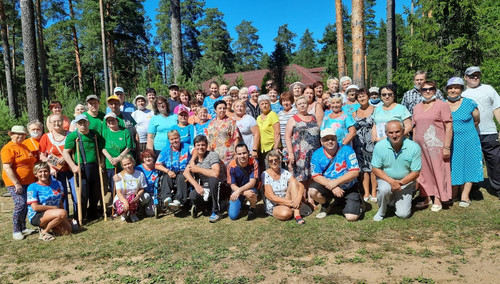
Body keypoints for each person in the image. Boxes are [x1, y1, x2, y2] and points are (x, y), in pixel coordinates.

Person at [412, 81, 453, 212]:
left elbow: (449, 126)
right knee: (423, 172)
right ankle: (426, 197)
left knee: (438, 171)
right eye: (425, 89)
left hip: (436, 146)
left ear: (435, 90)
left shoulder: (442, 105)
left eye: (431, 89)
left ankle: (438, 198)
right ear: (420, 92)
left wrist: (446, 147)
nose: (428, 91)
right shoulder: (416, 107)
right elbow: (414, 128)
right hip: (420, 147)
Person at [462, 66, 500, 198]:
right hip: (470, 133)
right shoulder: (461, 93)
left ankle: (498, 187)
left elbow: (497, 109)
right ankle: (473, 186)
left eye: (477, 75)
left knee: (495, 160)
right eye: (472, 75)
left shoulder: (488, 89)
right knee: (472, 161)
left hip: (489, 131)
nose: (475, 77)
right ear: (466, 77)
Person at [371, 120, 421, 221]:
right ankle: (382, 211)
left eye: (397, 132)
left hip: (405, 183)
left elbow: (416, 172)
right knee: (384, 189)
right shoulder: (379, 146)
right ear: (386, 133)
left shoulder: (414, 147)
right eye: (390, 132)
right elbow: (375, 168)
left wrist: (400, 183)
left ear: (403, 131)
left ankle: (392, 199)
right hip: (386, 180)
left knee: (403, 214)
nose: (394, 135)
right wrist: (392, 182)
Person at [445, 77, 483, 207]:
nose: (453, 90)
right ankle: (454, 193)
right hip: (451, 141)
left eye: (456, 87)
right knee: (453, 166)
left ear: (461, 89)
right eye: (450, 88)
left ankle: (465, 196)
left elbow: (476, 120)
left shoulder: (470, 103)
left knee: (469, 166)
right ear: (446, 90)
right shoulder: (443, 104)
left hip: (468, 140)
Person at [309, 128, 361, 221]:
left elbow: (355, 172)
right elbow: (316, 176)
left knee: (351, 217)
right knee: (312, 191)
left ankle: (357, 201)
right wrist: (333, 186)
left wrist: (335, 182)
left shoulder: (347, 150)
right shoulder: (317, 154)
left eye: (332, 139)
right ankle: (325, 205)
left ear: (336, 139)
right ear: (321, 141)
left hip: (349, 187)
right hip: (329, 186)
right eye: (326, 139)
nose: (330, 141)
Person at [63, 114, 104, 221]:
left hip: (94, 166)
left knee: (95, 192)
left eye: (84, 123)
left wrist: (102, 161)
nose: (83, 125)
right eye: (80, 123)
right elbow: (66, 153)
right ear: (76, 125)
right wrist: (73, 166)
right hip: (81, 168)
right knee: (83, 193)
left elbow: (101, 148)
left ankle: (93, 213)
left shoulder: (94, 134)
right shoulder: (73, 136)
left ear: (88, 123)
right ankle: (81, 215)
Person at [2, 125, 37, 240]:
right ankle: (16, 230)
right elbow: (7, 167)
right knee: (20, 203)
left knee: (26, 204)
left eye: (23, 134)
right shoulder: (8, 148)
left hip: (29, 181)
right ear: (11, 134)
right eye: (18, 134)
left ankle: (23, 227)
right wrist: (16, 183)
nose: (21, 136)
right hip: (15, 182)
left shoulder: (24, 146)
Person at [184, 135, 227, 223]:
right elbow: (185, 173)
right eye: (198, 145)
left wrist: (198, 169)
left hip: (218, 185)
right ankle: (206, 207)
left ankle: (216, 211)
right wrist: (196, 186)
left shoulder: (212, 155)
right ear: (195, 147)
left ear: (207, 146)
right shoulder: (194, 159)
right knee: (193, 195)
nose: (201, 147)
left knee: (213, 180)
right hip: (204, 186)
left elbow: (215, 173)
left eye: (203, 145)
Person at [27, 162, 74, 241]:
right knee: (62, 213)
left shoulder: (56, 184)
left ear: (49, 172)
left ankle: (49, 225)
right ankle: (44, 232)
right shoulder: (32, 187)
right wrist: (54, 208)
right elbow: (35, 207)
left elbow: (60, 201)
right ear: (36, 174)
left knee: (67, 231)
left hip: (54, 212)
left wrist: (64, 218)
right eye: (40, 172)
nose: (43, 174)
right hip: (37, 215)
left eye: (45, 171)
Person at [285, 96, 321, 192]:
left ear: (307, 105)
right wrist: (290, 153)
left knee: (312, 175)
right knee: (302, 177)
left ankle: (311, 198)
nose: (302, 105)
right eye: (299, 104)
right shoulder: (293, 119)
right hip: (300, 154)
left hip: (314, 152)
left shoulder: (313, 118)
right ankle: (302, 198)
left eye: (304, 103)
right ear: (296, 106)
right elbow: (287, 136)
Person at [39, 113, 73, 213]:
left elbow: (75, 151)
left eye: (59, 121)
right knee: (61, 193)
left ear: (63, 122)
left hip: (71, 169)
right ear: (50, 123)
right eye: (54, 121)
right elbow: (42, 155)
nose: (57, 123)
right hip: (56, 171)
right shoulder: (46, 137)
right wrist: (51, 167)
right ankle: (64, 215)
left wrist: (66, 158)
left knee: (75, 193)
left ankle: (78, 215)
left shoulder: (70, 135)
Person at [262, 150, 307, 225]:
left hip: (287, 200)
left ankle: (297, 214)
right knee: (285, 214)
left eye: (276, 160)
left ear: (279, 161)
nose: (273, 162)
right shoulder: (265, 174)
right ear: (268, 163)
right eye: (270, 161)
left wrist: (298, 199)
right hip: (275, 204)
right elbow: (271, 196)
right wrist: (292, 203)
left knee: (293, 182)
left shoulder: (285, 172)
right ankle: (295, 208)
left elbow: (300, 185)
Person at [352, 88, 377, 202]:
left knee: (373, 168)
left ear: (368, 97)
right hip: (359, 144)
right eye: (359, 97)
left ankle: (374, 192)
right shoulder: (354, 113)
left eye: (364, 96)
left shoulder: (375, 110)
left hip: (372, 142)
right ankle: (366, 192)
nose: (362, 98)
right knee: (363, 169)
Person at [155, 130, 192, 207]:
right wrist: (167, 171)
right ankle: (166, 198)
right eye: (172, 139)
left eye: (176, 138)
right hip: (170, 171)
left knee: (182, 177)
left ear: (179, 138)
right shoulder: (166, 149)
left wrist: (192, 161)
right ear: (169, 140)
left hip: (183, 171)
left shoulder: (187, 146)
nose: (174, 141)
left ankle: (179, 200)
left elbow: (195, 152)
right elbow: (157, 165)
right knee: (165, 177)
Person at [101, 112, 134, 195]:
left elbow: (129, 146)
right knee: (114, 186)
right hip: (110, 163)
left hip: (125, 162)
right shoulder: (104, 132)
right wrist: (110, 158)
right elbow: (102, 147)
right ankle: (116, 205)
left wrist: (119, 158)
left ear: (117, 121)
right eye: (108, 121)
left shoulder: (124, 131)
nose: (111, 122)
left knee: (126, 184)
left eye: (113, 120)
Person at [112, 155, 152, 222]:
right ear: (122, 166)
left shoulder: (140, 174)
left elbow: (142, 188)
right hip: (123, 197)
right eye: (125, 165)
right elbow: (118, 192)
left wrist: (138, 195)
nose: (127, 166)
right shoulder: (119, 176)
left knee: (146, 196)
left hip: (134, 197)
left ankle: (133, 213)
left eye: (129, 163)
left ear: (133, 162)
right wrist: (125, 202)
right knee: (124, 205)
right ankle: (124, 213)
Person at [227, 143, 259, 221]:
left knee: (251, 193)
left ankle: (252, 208)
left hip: (249, 189)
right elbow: (232, 185)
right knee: (233, 216)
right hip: (236, 190)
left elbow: (252, 183)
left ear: (248, 152)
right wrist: (242, 192)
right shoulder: (231, 166)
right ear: (236, 155)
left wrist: (239, 191)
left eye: (244, 153)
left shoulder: (254, 162)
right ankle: (239, 204)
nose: (242, 156)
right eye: (239, 154)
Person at [205, 100, 241, 166]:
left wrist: (236, 153)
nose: (222, 110)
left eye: (224, 108)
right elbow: (209, 141)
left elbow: (236, 138)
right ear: (215, 110)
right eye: (220, 108)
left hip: (229, 156)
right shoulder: (211, 124)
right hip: (215, 157)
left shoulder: (231, 122)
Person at [257, 95, 280, 171]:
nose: (264, 105)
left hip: (272, 147)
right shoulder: (258, 118)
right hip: (262, 149)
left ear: (269, 104)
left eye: (266, 103)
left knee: (274, 170)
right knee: (266, 171)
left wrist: (275, 148)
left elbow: (277, 132)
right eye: (262, 104)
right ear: (259, 106)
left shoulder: (273, 115)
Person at [135, 149, 158, 214]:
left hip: (154, 192)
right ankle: (140, 207)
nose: (147, 159)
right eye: (145, 157)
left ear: (153, 158)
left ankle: (148, 208)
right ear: (143, 159)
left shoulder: (158, 167)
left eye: (149, 157)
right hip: (143, 193)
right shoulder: (138, 168)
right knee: (146, 197)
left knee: (151, 213)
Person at [278, 92, 297, 163]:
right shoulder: (280, 114)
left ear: (291, 101)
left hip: (294, 144)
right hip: (284, 146)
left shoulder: (295, 111)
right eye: (283, 101)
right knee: (288, 165)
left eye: (287, 100)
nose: (285, 103)